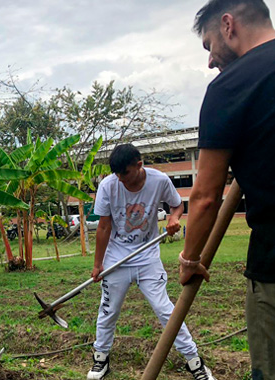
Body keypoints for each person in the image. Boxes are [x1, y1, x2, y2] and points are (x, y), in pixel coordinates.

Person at [181, 1, 275, 379]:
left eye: (208, 46)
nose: (209, 62)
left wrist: (189, 259)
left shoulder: (230, 87)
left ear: (227, 25)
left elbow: (205, 196)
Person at [87, 144, 215, 380]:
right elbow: (104, 226)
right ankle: (101, 359)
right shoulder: (108, 185)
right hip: (117, 258)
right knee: (108, 310)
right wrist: (98, 265)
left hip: (147, 257)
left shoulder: (159, 181)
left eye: (124, 173)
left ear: (139, 165)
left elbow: (178, 205)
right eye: (117, 174)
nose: (120, 179)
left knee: (166, 310)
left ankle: (194, 361)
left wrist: (174, 218)